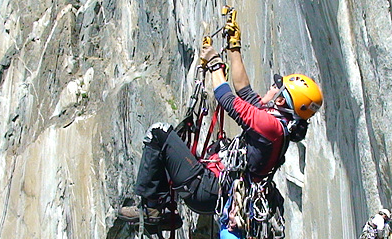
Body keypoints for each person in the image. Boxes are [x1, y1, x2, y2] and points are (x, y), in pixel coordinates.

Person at [117, 18, 323, 228]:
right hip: (214, 190)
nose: (271, 87)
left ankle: (152, 209)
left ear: (280, 100)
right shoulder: (277, 125)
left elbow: (227, 99)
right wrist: (234, 47)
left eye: (275, 87)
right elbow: (244, 90)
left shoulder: (270, 127)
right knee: (174, 145)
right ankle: (163, 206)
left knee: (158, 133)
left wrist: (215, 61)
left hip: (206, 187)